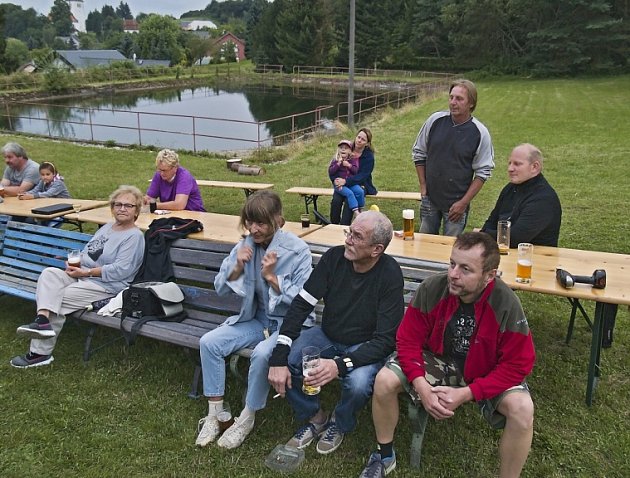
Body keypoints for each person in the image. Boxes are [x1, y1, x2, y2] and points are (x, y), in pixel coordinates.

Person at [358, 232, 535, 478]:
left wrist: (468, 393)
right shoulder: (432, 288)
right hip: (440, 360)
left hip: (486, 369)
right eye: (452, 264)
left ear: (489, 276)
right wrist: (421, 385)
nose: (453, 274)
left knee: (522, 409)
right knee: (385, 380)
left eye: (465, 269)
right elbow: (407, 340)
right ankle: (384, 454)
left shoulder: (506, 303)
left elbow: (518, 364)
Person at [268, 211, 404, 455]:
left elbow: (385, 341)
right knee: (286, 359)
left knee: (359, 384)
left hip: (365, 345)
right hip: (328, 335)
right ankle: (314, 416)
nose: (348, 240)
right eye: (349, 232)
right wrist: (278, 356)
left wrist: (338, 366)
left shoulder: (390, 274)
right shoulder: (334, 259)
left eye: (357, 236)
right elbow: (301, 305)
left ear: (376, 249)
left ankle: (340, 422)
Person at [195, 190, 313, 450]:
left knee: (262, 355)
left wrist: (272, 277)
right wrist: (237, 266)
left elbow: (305, 301)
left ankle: (246, 418)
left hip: (287, 324)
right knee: (209, 342)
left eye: (261, 223)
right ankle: (215, 413)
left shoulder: (298, 250)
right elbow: (220, 288)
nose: (254, 229)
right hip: (256, 320)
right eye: (250, 222)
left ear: (278, 221)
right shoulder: (245, 245)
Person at [10, 185, 146, 368]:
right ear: (112, 207)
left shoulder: (134, 237)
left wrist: (87, 272)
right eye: (118, 204)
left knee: (59, 297)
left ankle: (39, 354)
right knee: (49, 274)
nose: (122, 208)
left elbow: (122, 270)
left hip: (108, 286)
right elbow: (87, 252)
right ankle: (42, 321)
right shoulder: (107, 227)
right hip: (82, 275)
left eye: (128, 206)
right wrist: (76, 262)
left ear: (136, 211)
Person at [412, 79, 494, 236]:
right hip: (430, 198)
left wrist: (463, 203)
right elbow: (419, 153)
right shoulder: (434, 121)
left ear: (471, 103)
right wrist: (423, 187)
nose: (453, 102)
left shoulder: (480, 132)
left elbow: (483, 172)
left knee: (452, 251)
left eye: (459, 99)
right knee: (424, 245)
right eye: (451, 97)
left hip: (457, 204)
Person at [480, 143, 562, 247]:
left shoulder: (544, 199)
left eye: (517, 164)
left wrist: (484, 234)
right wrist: (485, 233)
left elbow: (515, 238)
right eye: (509, 163)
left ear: (534, 167)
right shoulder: (510, 188)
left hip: (535, 258)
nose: (510, 168)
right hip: (505, 253)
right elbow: (492, 221)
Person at [330, 128, 377, 225]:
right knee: (336, 199)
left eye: (363, 139)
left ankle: (345, 225)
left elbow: (363, 176)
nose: (359, 140)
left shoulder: (369, 157)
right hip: (342, 182)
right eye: (358, 137)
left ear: (367, 143)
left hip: (361, 183)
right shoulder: (347, 148)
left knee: (350, 198)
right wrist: (335, 181)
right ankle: (333, 224)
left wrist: (345, 181)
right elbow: (333, 167)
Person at [328, 139, 364, 219]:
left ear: (350, 151)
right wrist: (338, 164)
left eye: (346, 148)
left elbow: (355, 171)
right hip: (339, 185)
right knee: (350, 194)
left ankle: (361, 209)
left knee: (360, 191)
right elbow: (331, 172)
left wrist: (349, 165)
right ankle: (356, 212)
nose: (343, 149)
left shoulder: (353, 160)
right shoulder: (336, 160)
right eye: (341, 148)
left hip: (349, 183)